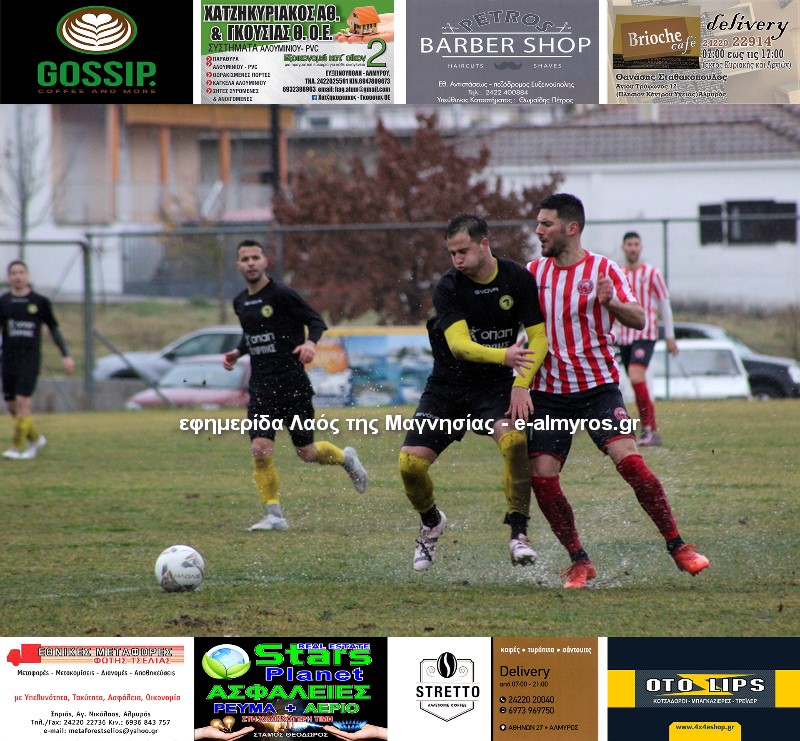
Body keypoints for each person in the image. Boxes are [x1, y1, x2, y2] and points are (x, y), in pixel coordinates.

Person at [511, 194, 708, 588]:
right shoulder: (532, 273)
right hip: (549, 394)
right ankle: (579, 562)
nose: (538, 231)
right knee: (542, 478)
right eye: (538, 223)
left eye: (546, 224)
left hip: (598, 389)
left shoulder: (604, 269)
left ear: (571, 228)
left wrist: (612, 302)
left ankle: (678, 546)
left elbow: (638, 317)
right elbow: (517, 325)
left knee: (630, 462)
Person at [399, 213, 548, 571]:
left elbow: (539, 337)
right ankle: (431, 523)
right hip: (446, 388)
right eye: (452, 253)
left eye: (463, 251)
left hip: (493, 388)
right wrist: (505, 355)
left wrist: (520, 385)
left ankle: (518, 534)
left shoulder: (517, 278)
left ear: (484, 243)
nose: (457, 260)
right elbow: (460, 346)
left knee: (515, 442)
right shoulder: (448, 286)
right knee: (410, 466)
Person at [223, 239, 368, 531]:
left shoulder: (282, 294)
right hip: (262, 388)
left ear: (265, 262)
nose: (251, 263)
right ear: (238, 265)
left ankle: (346, 459)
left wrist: (310, 344)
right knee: (260, 449)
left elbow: (316, 321)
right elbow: (253, 334)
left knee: (307, 452)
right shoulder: (240, 302)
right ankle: (275, 516)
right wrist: (238, 352)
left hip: (292, 385)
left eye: (255, 257)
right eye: (245, 259)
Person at [0, 260, 74, 459]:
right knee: (12, 407)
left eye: (21, 272)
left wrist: (66, 355)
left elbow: (54, 329)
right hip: (9, 359)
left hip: (30, 359)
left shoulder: (39, 302)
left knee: (22, 401)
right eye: (13, 273)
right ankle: (35, 439)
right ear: (9, 277)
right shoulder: (3, 302)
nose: (17, 276)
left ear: (27, 275)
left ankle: (17, 448)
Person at [616, 231, 678, 446]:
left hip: (645, 334)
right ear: (623, 248)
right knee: (636, 382)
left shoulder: (652, 273)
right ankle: (650, 429)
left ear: (641, 247)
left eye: (636, 244)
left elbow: (664, 305)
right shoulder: (618, 272)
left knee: (636, 376)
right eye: (629, 244)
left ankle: (648, 429)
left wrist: (670, 337)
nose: (633, 248)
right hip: (623, 336)